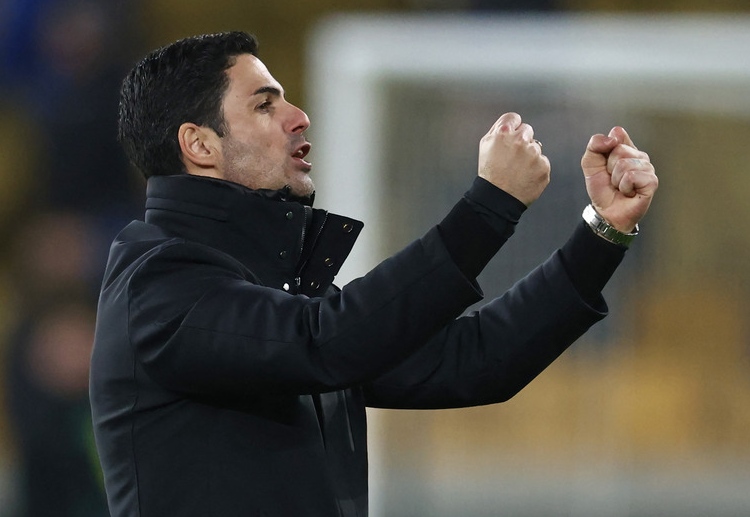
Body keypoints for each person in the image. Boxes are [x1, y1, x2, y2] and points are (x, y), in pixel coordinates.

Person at [89, 31, 658, 517]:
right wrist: (489, 207)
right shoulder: (159, 285)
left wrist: (602, 232)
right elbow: (327, 342)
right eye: (264, 105)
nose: (298, 117)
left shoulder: (275, 298)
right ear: (199, 144)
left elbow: (475, 360)